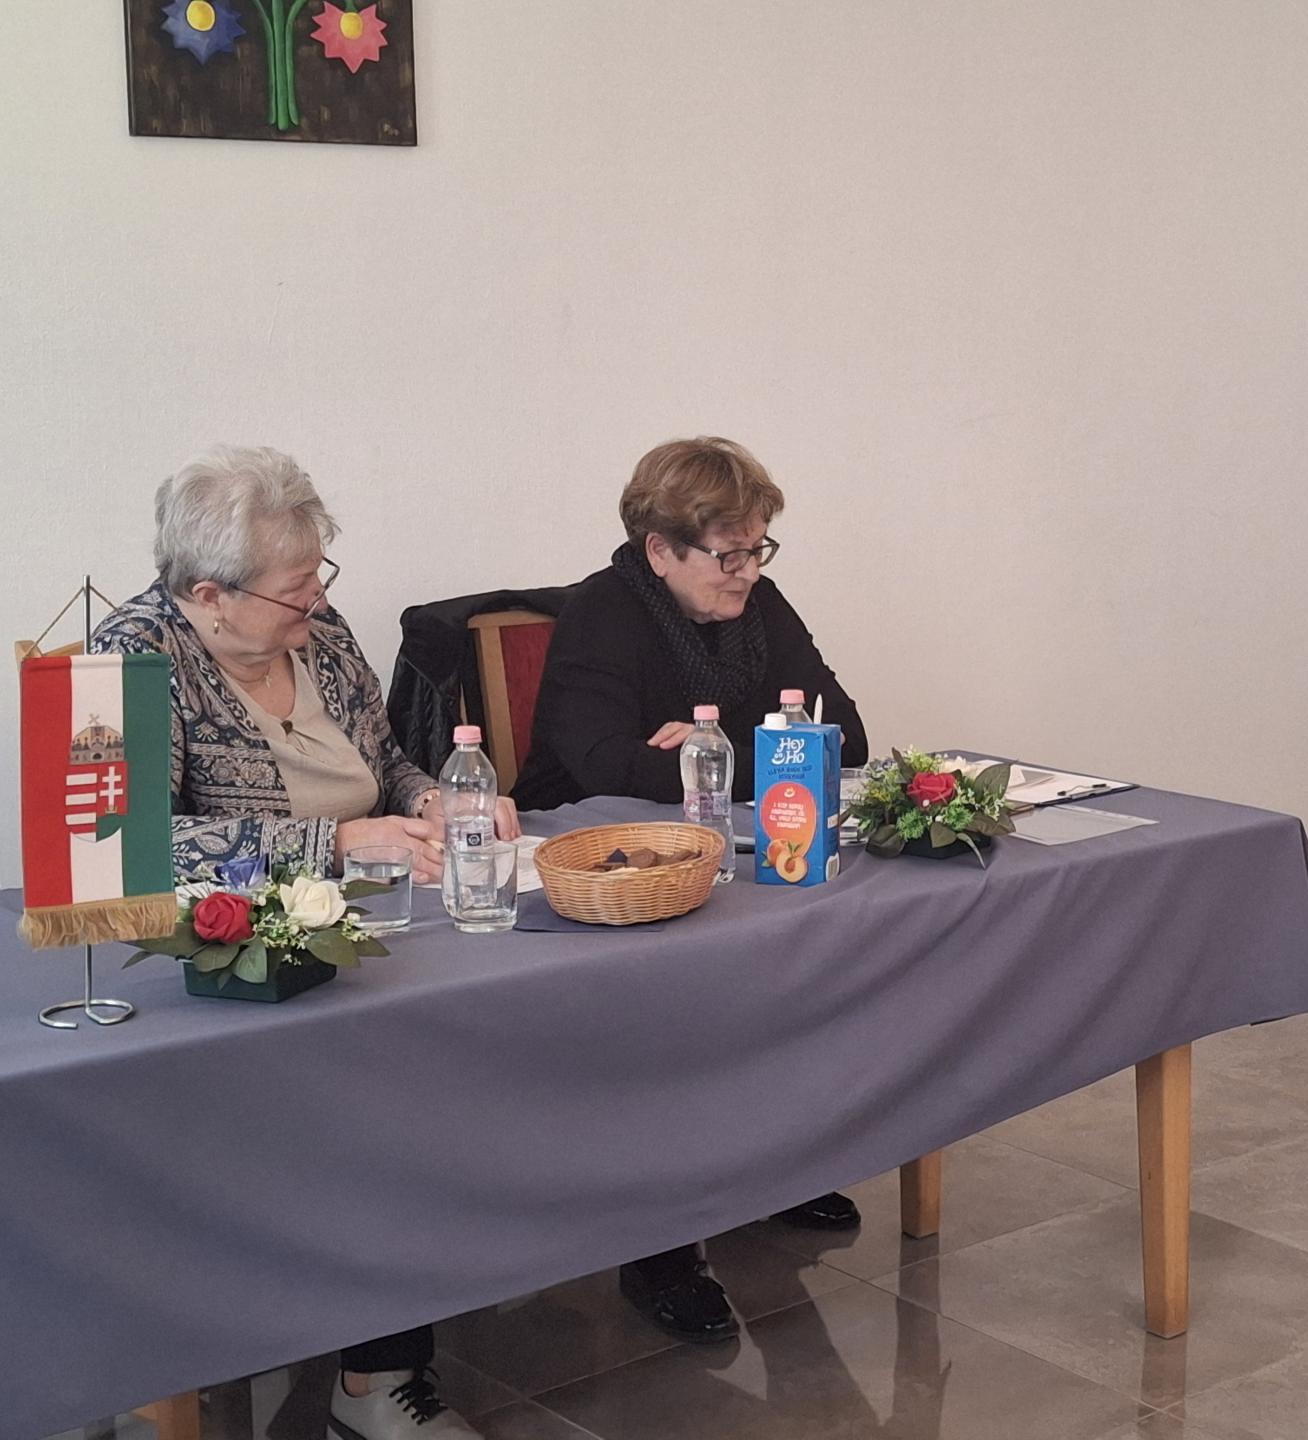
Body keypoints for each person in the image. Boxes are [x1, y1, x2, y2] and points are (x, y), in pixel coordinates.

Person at [93, 445, 520, 1440]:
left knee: (498, 1029)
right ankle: (374, 1379)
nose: (318, 601)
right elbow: (126, 846)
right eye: (295, 588)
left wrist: (439, 801)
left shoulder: (318, 637)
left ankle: (467, 1283)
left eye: (318, 573)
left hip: (386, 911)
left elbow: (387, 762)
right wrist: (334, 843)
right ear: (209, 595)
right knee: (394, 1081)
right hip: (232, 959)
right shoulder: (126, 661)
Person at [516, 436, 869, 1343]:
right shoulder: (603, 613)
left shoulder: (758, 605)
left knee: (805, 957)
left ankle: (770, 1171)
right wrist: (757, 750)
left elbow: (844, 734)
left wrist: (710, 746)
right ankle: (661, 1244)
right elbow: (608, 768)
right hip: (604, 871)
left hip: (726, 850)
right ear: (660, 550)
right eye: (728, 553)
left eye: (758, 549)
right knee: (672, 1004)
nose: (748, 571)